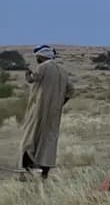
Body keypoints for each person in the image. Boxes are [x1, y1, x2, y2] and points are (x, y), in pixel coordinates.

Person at [19, 46, 72, 179]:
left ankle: (26, 173)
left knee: (29, 139)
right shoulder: (63, 71)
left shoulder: (44, 66)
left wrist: (27, 73)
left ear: (42, 56)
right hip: (54, 113)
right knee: (49, 140)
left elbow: (33, 79)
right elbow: (71, 91)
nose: (37, 59)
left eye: (37, 57)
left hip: (39, 110)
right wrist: (59, 104)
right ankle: (44, 174)